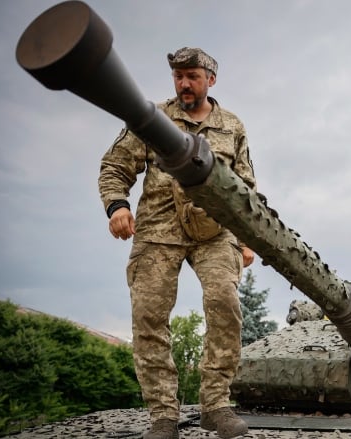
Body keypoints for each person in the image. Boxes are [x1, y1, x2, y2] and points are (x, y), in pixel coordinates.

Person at [98, 47, 255, 439]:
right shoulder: (152, 119)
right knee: (149, 317)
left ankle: (216, 404)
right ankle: (163, 416)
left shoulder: (232, 126)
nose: (184, 83)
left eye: (193, 76)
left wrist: (247, 238)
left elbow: (245, 187)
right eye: (179, 76)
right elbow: (115, 165)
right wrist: (117, 206)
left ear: (210, 80)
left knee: (225, 304)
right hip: (157, 229)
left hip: (215, 231)